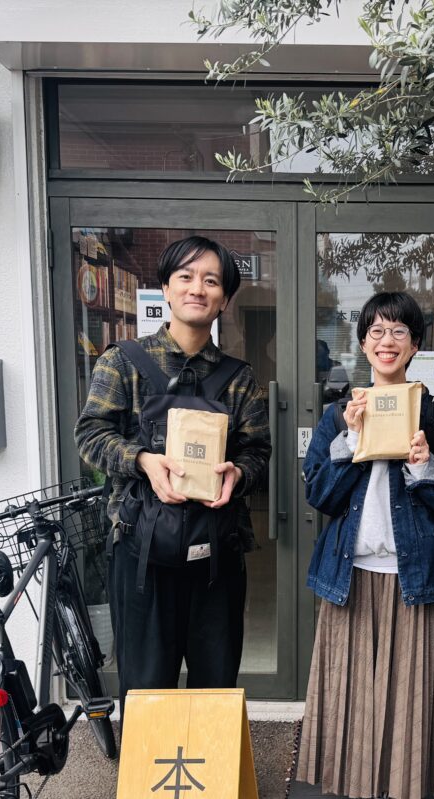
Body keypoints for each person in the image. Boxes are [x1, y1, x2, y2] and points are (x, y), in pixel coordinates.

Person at [298, 292, 434, 799]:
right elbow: (319, 495)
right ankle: (363, 791)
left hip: (414, 574)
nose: (387, 341)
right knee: (354, 685)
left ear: (415, 345)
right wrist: (351, 439)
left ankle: (399, 796)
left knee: (409, 689)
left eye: (399, 331)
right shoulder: (339, 414)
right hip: (351, 572)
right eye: (376, 331)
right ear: (362, 344)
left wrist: (427, 468)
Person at [75, 236, 271, 714]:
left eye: (211, 281)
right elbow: (90, 434)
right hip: (140, 552)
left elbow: (258, 451)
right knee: (145, 692)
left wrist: (237, 474)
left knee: (215, 689)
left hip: (217, 553)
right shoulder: (123, 361)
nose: (197, 289)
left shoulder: (239, 377)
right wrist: (143, 460)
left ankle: (209, 767)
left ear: (224, 299)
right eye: (186, 277)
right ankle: (149, 767)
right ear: (166, 288)